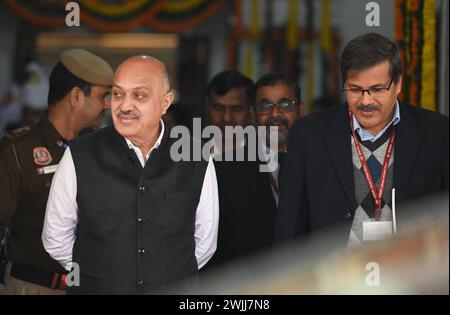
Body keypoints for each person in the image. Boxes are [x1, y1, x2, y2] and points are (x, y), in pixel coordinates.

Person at [42, 56, 219, 294]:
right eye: (117, 94)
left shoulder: (196, 156)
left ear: (165, 102)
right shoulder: (79, 154)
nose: (124, 106)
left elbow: (205, 242)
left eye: (139, 96)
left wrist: (166, 273)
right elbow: (55, 237)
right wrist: (98, 274)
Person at [276, 33, 449, 248]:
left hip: (409, 275)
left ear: (398, 84)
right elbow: (290, 228)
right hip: (333, 277)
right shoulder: (309, 135)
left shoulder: (437, 133)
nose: (366, 101)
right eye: (355, 89)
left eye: (377, 89)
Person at [0, 49, 113, 294]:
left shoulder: (102, 148)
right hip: (31, 286)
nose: (108, 104)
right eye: (103, 95)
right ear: (75, 97)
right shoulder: (17, 150)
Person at [253, 73, 304, 205]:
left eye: (285, 104)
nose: (275, 114)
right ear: (253, 114)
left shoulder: (322, 161)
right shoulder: (230, 168)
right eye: (265, 106)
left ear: (301, 110)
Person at [205, 70, 254, 155]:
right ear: (207, 108)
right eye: (218, 108)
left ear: (251, 112)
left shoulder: (266, 160)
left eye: (236, 109)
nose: (226, 118)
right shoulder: (189, 158)